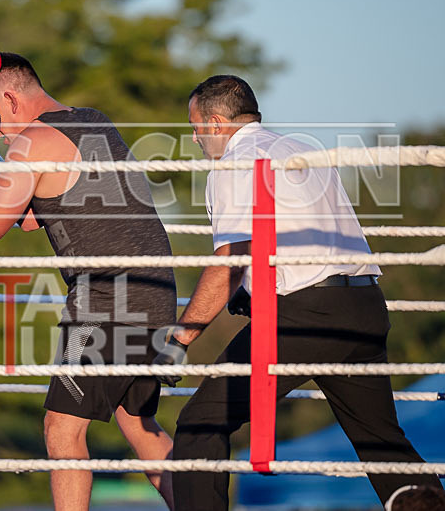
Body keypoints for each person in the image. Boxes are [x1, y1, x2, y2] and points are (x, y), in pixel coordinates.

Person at [152, 74, 444, 510]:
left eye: (195, 127)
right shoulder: (300, 149)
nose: (195, 139)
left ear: (215, 123)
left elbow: (231, 259)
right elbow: (302, 239)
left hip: (302, 314)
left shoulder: (237, 162)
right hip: (362, 304)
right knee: (381, 442)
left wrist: (180, 339)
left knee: (200, 423)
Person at [0, 53, 178, 511]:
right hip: (154, 289)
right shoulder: (93, 122)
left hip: (108, 296)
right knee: (140, 426)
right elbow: (29, 217)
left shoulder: (32, 141)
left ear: (8, 99)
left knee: (61, 428)